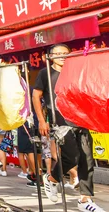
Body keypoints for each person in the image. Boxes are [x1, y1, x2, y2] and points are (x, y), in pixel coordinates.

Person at [33, 44, 105, 211]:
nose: (62, 56)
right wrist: (42, 121)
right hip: (61, 121)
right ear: (50, 56)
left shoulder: (75, 70)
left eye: (65, 53)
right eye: (58, 53)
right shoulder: (45, 73)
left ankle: (85, 200)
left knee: (86, 158)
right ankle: (52, 179)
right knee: (71, 156)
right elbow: (36, 96)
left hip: (82, 119)